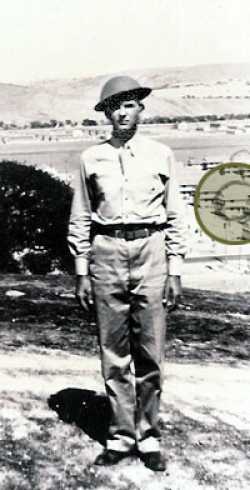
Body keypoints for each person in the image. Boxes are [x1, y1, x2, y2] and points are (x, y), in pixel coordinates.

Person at [67, 75, 187, 471]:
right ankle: (120, 437)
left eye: (129, 104)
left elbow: (174, 216)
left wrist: (175, 269)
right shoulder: (90, 158)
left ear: (140, 109)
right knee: (114, 354)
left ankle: (149, 438)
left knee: (151, 353)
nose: (122, 112)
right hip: (106, 255)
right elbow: (81, 216)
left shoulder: (161, 154)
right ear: (107, 114)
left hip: (151, 251)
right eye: (114, 106)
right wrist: (82, 270)